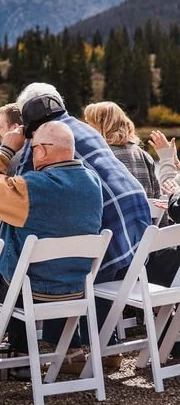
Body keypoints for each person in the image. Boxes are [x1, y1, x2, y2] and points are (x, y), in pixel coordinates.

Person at [0, 121, 103, 384]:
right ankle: (22, 357)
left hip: (32, 293)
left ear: (43, 150)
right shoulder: (92, 183)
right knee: (18, 268)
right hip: (72, 290)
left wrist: (6, 149)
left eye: (33, 148)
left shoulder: (33, 187)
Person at [15, 84, 151, 283]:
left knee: (73, 270)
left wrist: (9, 148)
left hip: (111, 219)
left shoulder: (43, 136)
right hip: (137, 211)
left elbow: (18, 192)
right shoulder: (83, 127)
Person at [84, 101, 158, 198]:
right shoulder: (144, 155)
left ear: (103, 125)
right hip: (146, 207)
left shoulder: (100, 155)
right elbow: (156, 195)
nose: (85, 127)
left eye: (89, 123)